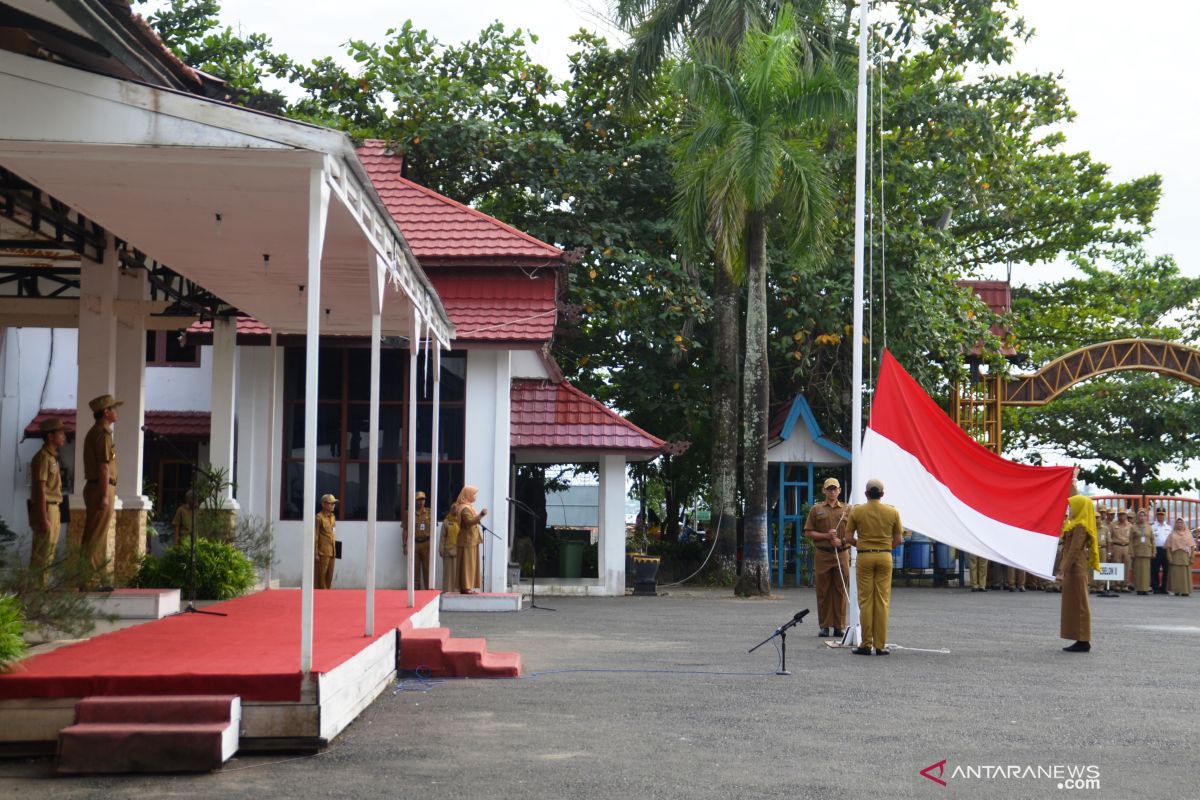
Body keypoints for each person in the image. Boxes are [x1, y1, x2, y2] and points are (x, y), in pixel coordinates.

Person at [845, 478, 903, 656]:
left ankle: (866, 643)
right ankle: (880, 645)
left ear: (866, 493)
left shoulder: (858, 511)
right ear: (882, 494)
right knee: (882, 601)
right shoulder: (892, 511)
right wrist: (886, 547)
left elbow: (848, 537)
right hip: (885, 555)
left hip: (865, 555)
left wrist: (861, 544)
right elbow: (898, 539)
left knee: (866, 600)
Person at [81, 394, 121, 587]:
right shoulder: (102, 433)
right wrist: (105, 494)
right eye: (114, 408)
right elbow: (103, 467)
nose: (116, 412)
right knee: (96, 535)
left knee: (95, 534)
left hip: (98, 486)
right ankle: (91, 580)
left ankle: (90, 577)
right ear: (106, 412)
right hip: (100, 487)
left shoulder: (99, 432)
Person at [803, 477, 851, 637]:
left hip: (842, 553)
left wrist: (841, 540)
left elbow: (853, 533)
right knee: (823, 591)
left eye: (834, 488)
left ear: (839, 491)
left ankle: (839, 626)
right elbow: (808, 532)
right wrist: (826, 536)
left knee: (841, 590)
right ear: (824, 491)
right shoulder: (816, 509)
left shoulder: (847, 509)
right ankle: (824, 626)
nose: (832, 491)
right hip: (823, 554)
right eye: (829, 489)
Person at [1058, 493, 1100, 653]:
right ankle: (1079, 637)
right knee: (1073, 604)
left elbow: (1075, 549)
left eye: (1072, 506)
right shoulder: (1075, 523)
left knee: (1080, 603)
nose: (1070, 508)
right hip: (1072, 567)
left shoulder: (1081, 525)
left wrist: (1063, 569)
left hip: (1076, 567)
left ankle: (1084, 640)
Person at [28, 418, 67, 585]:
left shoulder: (53, 457)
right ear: (50, 436)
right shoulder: (43, 457)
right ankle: (37, 590)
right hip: (46, 508)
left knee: (49, 551)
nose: (64, 436)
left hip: (55, 507)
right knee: (43, 552)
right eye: (60, 433)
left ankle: (40, 587)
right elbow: (40, 488)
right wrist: (43, 517)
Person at [455, 486, 486, 593]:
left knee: (470, 564)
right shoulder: (465, 508)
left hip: (472, 540)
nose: (475, 496)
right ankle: (466, 587)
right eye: (473, 494)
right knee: (467, 564)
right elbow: (468, 522)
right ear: (467, 495)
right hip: (467, 540)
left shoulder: (468, 507)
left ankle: (467, 586)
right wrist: (481, 515)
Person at [402, 491, 433, 589]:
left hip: (426, 543)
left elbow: (434, 528)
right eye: (418, 500)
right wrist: (404, 545)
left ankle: (428, 591)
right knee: (414, 570)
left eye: (422, 499)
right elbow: (405, 530)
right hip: (414, 543)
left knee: (427, 569)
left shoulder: (430, 512)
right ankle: (416, 592)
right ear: (415, 501)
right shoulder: (409, 513)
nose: (421, 502)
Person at [1165, 517, 1194, 597]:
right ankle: (1176, 590)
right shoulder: (1172, 534)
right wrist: (1169, 557)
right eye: (1178, 523)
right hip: (1175, 556)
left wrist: (1192, 557)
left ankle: (1185, 590)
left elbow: (1192, 547)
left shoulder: (1188, 534)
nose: (1179, 524)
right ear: (1175, 524)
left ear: (1184, 524)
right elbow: (1168, 547)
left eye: (1181, 523)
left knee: (1185, 574)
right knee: (1175, 574)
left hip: (1185, 556)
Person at [314, 493, 338, 589]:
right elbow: (315, 535)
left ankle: (327, 593)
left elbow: (333, 533)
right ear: (324, 504)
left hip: (332, 550)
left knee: (330, 574)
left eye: (334, 503)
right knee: (321, 575)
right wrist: (316, 553)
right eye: (331, 503)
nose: (333, 505)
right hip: (323, 551)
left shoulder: (332, 517)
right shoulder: (319, 518)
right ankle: (320, 594)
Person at [1130, 509, 1155, 595]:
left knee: (1146, 571)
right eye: (1140, 516)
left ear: (1146, 517)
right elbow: (1130, 541)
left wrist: (1154, 551)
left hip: (1147, 552)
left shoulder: (1149, 527)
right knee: (1137, 571)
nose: (1142, 517)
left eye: (1143, 516)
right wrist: (1131, 552)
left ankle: (1145, 588)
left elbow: (1153, 540)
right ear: (1137, 517)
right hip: (1137, 552)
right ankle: (1139, 588)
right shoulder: (1133, 527)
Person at [1109, 508, 1133, 592]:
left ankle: (1125, 585)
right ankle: (1117, 584)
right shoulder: (1113, 525)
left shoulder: (1130, 525)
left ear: (1126, 515)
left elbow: (1132, 538)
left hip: (1127, 546)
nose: (1121, 516)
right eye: (1119, 514)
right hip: (1117, 546)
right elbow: (1110, 538)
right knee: (1117, 564)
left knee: (1127, 566)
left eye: (1123, 514)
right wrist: (1110, 550)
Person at [1151, 507, 1172, 594]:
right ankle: (1155, 587)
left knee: (1166, 569)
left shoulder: (1169, 527)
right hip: (1156, 549)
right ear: (1156, 515)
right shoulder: (1152, 527)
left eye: (1162, 515)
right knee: (1154, 569)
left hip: (1166, 549)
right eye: (1159, 515)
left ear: (1165, 515)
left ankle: (1164, 588)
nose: (1161, 517)